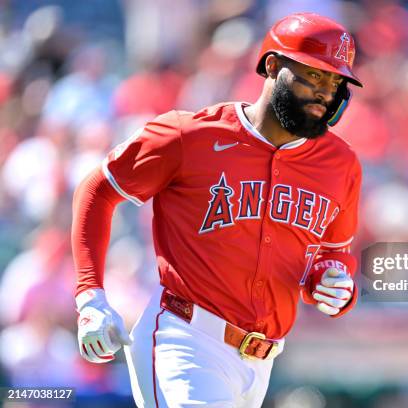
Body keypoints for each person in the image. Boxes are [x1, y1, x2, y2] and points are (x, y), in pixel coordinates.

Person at [72, 12, 363, 407]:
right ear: (273, 65)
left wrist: (332, 283)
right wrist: (90, 296)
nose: (325, 93)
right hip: (186, 338)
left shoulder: (340, 164)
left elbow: (333, 256)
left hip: (263, 362)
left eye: (335, 81)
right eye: (314, 75)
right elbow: (97, 190)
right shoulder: (188, 135)